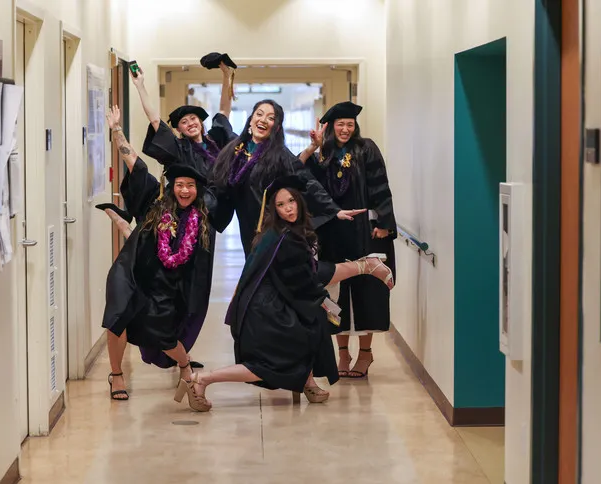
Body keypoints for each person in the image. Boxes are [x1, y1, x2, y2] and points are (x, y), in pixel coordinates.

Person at [174, 176, 394, 412]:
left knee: (311, 329)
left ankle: (307, 382)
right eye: (280, 205)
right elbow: (313, 276)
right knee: (265, 367)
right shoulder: (284, 238)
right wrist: (362, 267)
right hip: (265, 313)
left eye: (291, 201)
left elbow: (302, 279)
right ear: (274, 209)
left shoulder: (279, 233)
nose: (288, 208)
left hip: (269, 305)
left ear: (299, 201)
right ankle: (201, 379)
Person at [101, 124, 217, 401]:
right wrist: (117, 130)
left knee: (164, 334)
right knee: (117, 318)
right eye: (179, 185)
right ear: (172, 186)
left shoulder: (200, 223)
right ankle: (116, 375)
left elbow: (196, 268)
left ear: (197, 189)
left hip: (165, 284)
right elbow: (135, 164)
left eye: (190, 186)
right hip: (130, 271)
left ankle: (184, 364)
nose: (185, 190)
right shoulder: (156, 203)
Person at [298, 101, 397, 379]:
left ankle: (365, 353)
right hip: (332, 231)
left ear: (355, 127)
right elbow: (299, 176)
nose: (345, 129)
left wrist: (385, 224)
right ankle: (342, 353)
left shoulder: (366, 148)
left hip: (366, 231)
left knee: (368, 291)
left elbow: (380, 185)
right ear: (330, 127)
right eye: (340, 124)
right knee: (336, 292)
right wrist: (314, 148)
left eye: (349, 125)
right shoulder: (322, 153)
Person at [209, 99, 365, 256]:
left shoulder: (279, 154)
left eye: (270, 118)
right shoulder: (235, 149)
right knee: (253, 269)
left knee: (268, 271)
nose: (263, 120)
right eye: (259, 114)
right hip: (247, 227)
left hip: (272, 227)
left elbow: (305, 179)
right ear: (251, 120)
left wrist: (332, 209)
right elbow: (223, 119)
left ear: (276, 127)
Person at [130, 56, 236, 178]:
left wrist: (226, 75)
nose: (190, 123)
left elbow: (224, 110)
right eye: (184, 122)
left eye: (193, 118)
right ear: (179, 129)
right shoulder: (179, 148)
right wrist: (140, 86)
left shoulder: (216, 140)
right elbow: (154, 120)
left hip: (220, 196)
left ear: (200, 122)